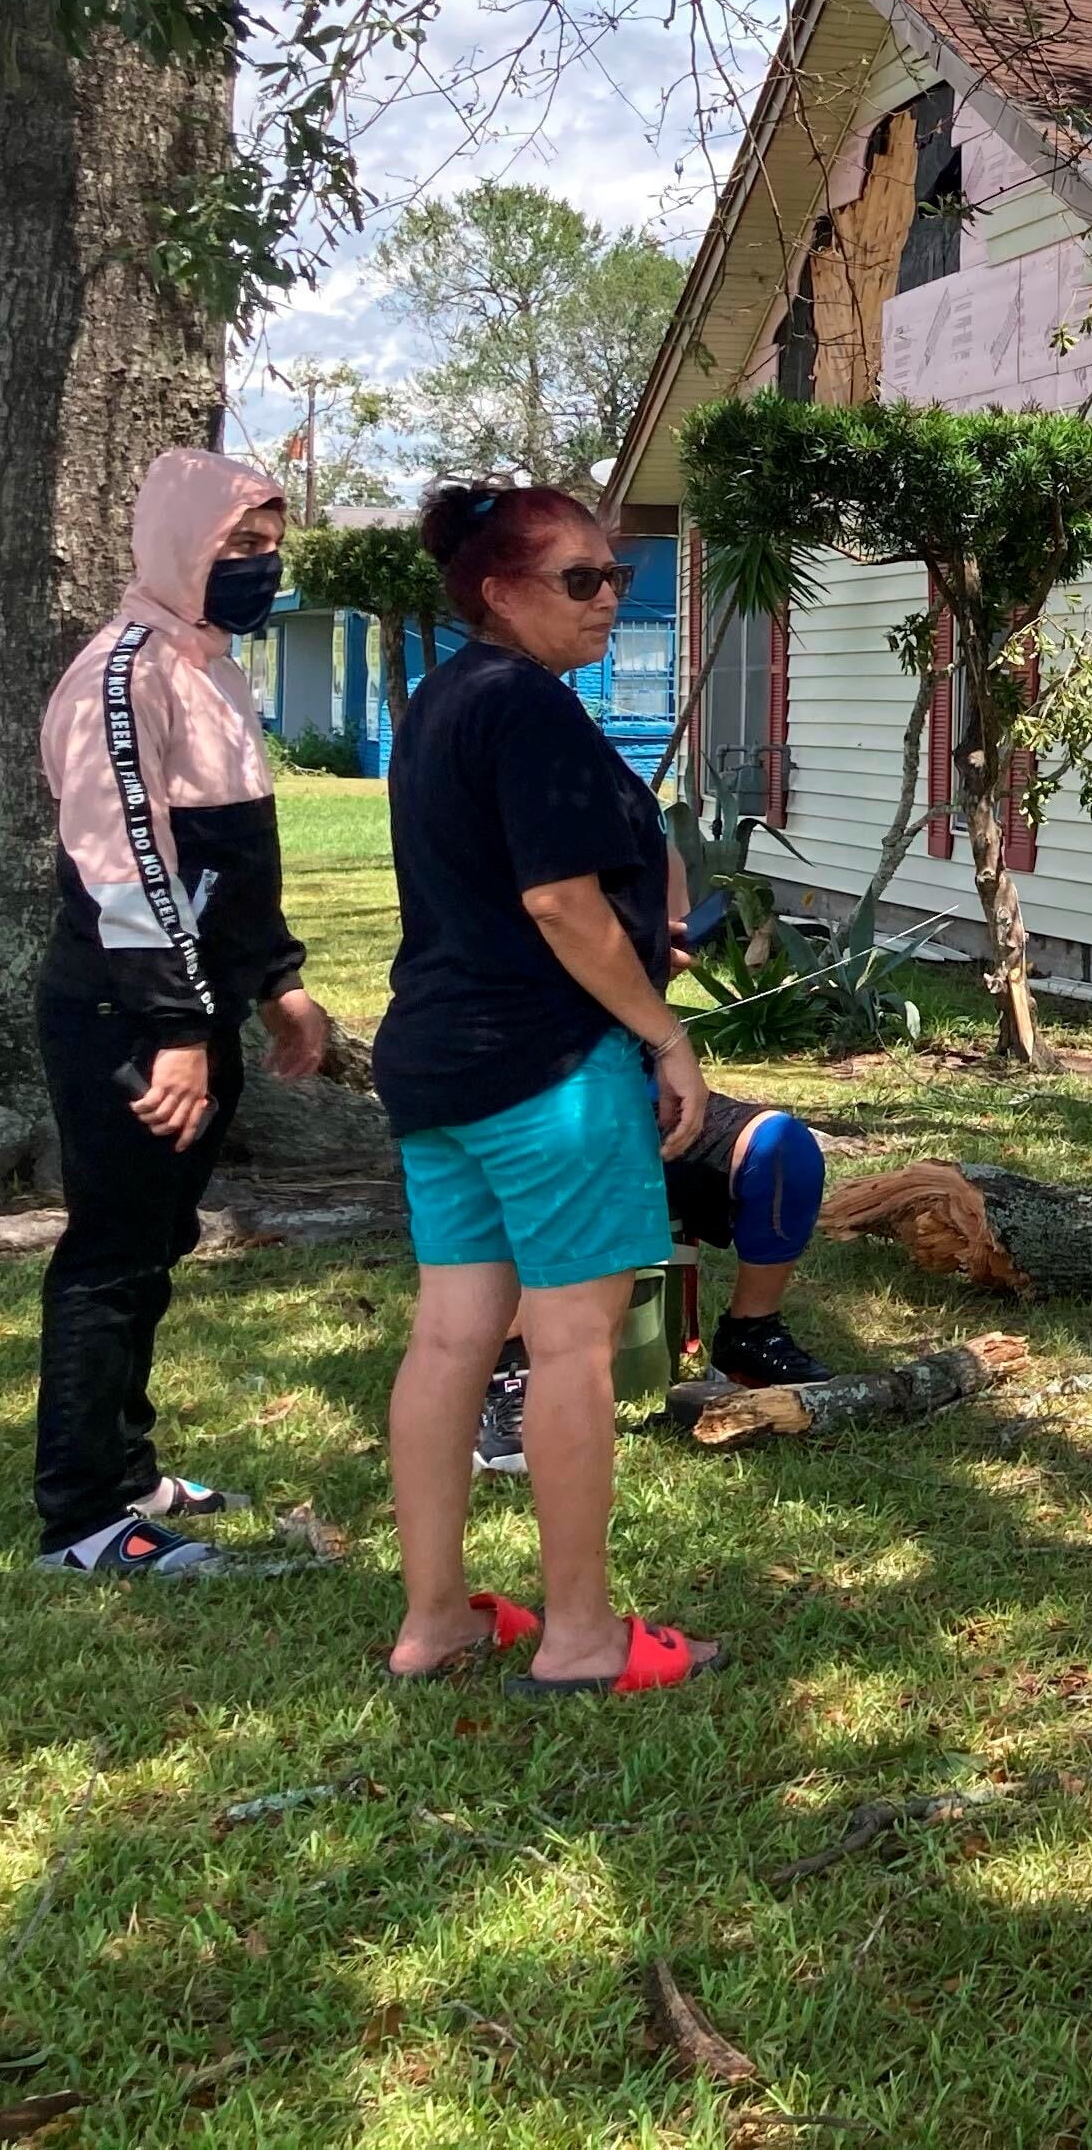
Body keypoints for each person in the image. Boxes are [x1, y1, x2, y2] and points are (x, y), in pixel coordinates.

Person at [372, 483, 724, 1694]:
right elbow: (558, 904)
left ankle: (437, 1620)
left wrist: (641, 930)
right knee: (572, 1349)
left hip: (440, 1062)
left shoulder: (438, 702)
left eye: (616, 576)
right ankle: (579, 1637)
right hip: (548, 1072)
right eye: (581, 580)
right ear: (499, 594)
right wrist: (661, 1032)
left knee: (450, 1337)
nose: (611, 600)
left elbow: (538, 888)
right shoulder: (525, 705)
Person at [32, 451, 336, 1573]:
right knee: (112, 1254)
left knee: (156, 1242)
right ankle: (83, 1518)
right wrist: (176, 1032)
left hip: (194, 1013)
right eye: (235, 549)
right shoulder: (121, 677)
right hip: (126, 1020)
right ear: (175, 548)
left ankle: (127, 1464)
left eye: (268, 549)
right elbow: (127, 876)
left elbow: (234, 864)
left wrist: (281, 985)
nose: (257, 569)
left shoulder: (213, 670)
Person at [472, 1088, 836, 1478]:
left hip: (633, 1093)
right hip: (525, 1097)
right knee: (553, 1149)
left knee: (783, 1148)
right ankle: (508, 1375)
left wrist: (670, 1055)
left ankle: (749, 1336)